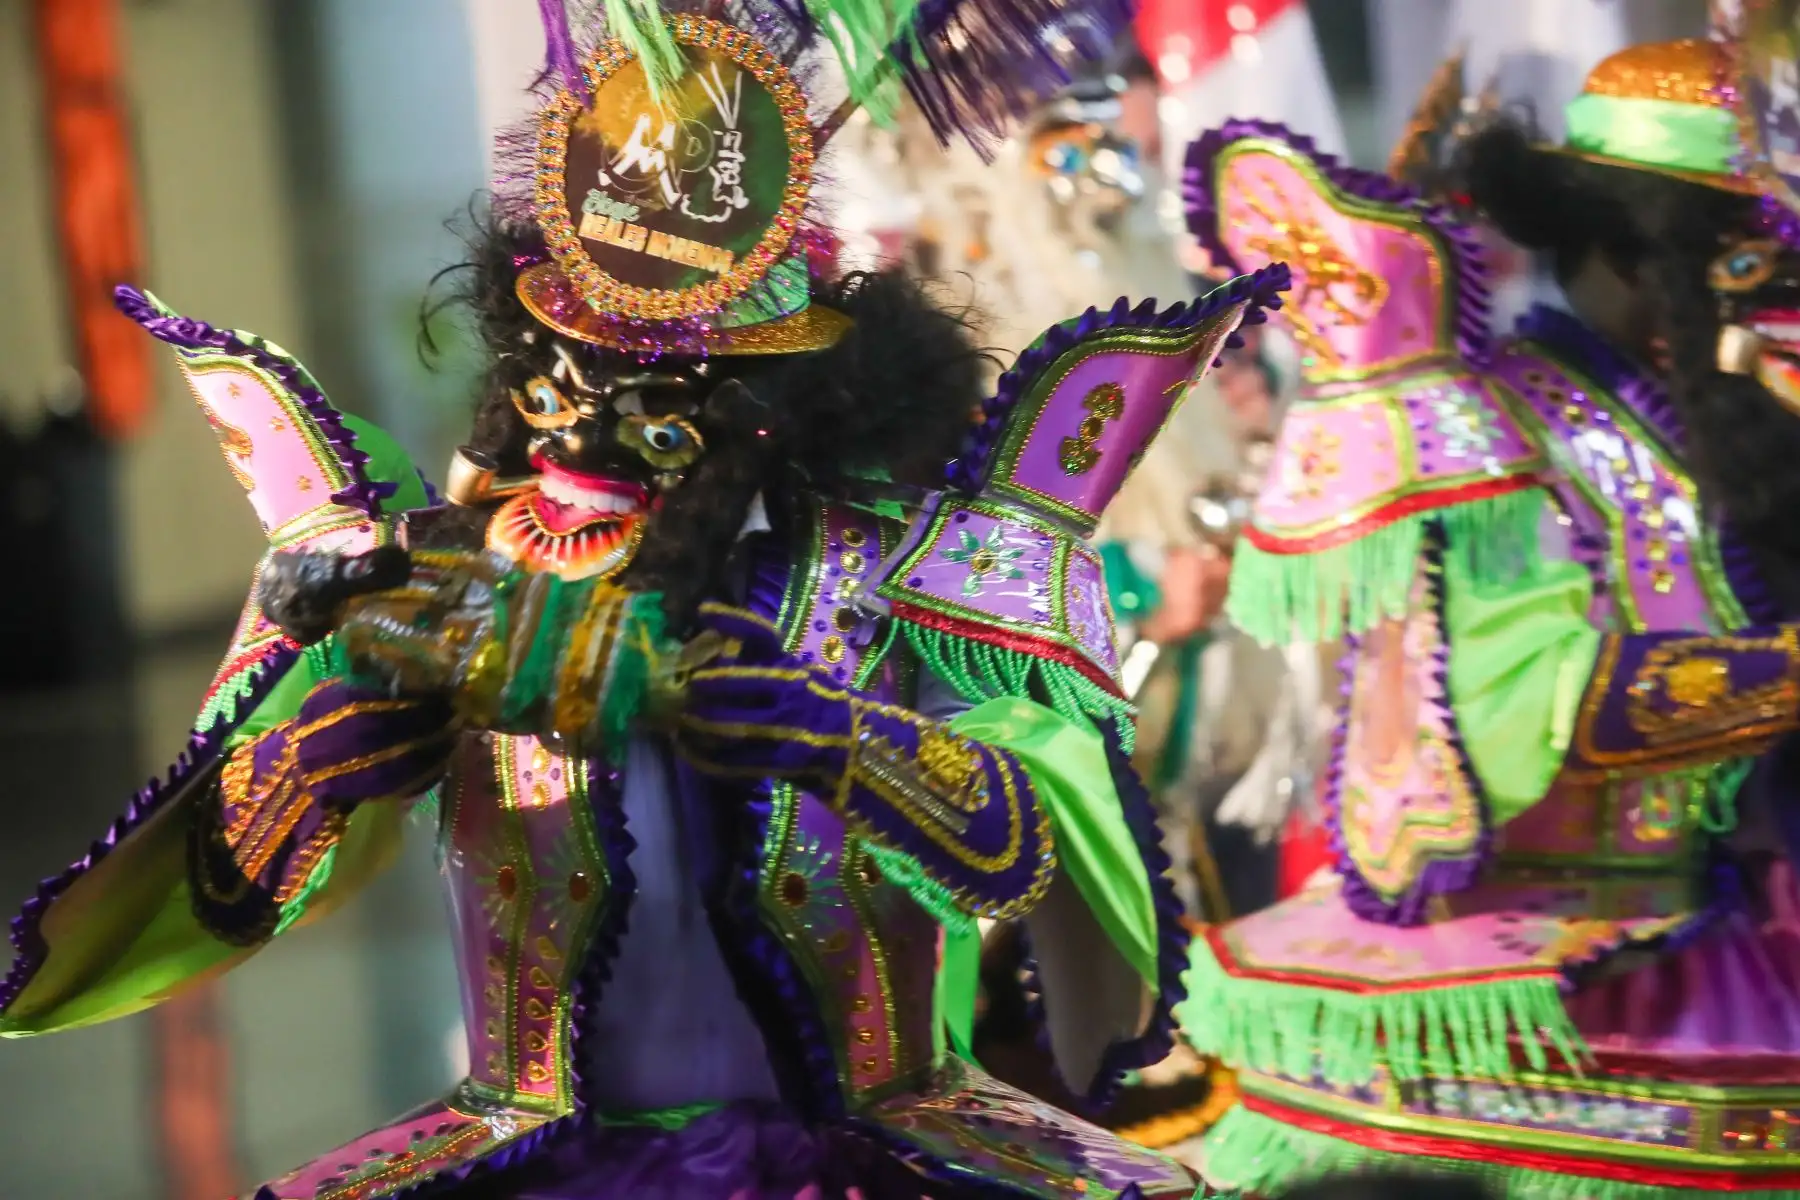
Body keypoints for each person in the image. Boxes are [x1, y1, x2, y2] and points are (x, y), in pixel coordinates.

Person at [0, 3, 1288, 1197]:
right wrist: (307, 773)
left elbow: (1040, 838)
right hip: (532, 1141)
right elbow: (220, 887)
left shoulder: (901, 568)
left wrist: (849, 749)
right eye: (560, 378)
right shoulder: (448, 565)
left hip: (869, 1142)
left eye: (659, 399)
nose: (587, 429)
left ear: (777, 399)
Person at [1173, 34, 1800, 1198]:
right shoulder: (1492, 441)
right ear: (1631, 245)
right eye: (1743, 262)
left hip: (1713, 932)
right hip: (1536, 985)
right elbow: (1525, 712)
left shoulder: (1724, 426)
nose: (1768, 306)